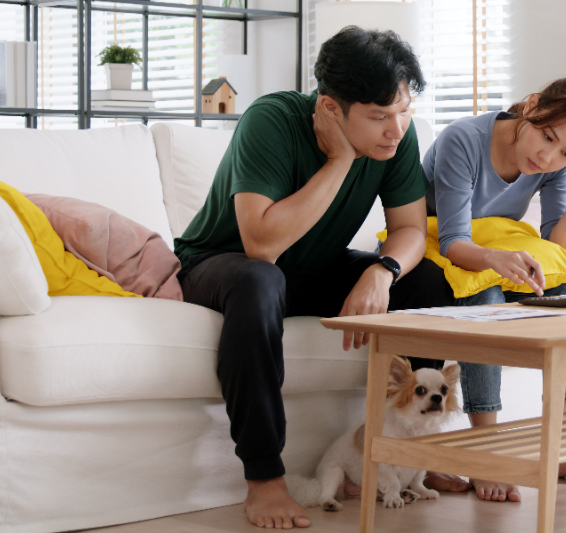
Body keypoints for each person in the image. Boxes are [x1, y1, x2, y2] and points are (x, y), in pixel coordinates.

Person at [174, 26, 466, 529]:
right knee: (260, 280)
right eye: (379, 117)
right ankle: (265, 479)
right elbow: (262, 245)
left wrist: (382, 270)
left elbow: (411, 230)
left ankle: (413, 454)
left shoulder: (397, 136)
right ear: (331, 108)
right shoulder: (271, 120)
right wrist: (340, 159)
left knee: (428, 283)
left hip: (313, 266)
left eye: (404, 111)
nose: (396, 129)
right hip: (221, 263)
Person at [421, 75, 566, 503]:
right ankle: (486, 451)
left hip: (492, 251)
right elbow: (453, 240)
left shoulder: (558, 164)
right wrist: (495, 260)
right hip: (434, 251)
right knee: (486, 296)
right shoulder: (464, 140)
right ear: (531, 106)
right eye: (547, 136)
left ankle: (562, 446)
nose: (547, 157)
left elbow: (560, 246)